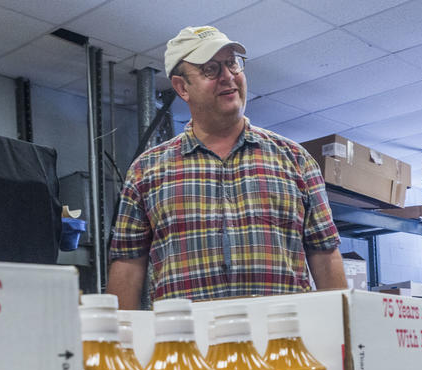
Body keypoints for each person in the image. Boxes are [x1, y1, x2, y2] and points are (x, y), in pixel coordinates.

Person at [106, 25, 347, 309]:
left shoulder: (295, 159)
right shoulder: (147, 171)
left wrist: (345, 340)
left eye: (232, 63)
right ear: (182, 87)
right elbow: (128, 265)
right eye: (210, 69)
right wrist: (121, 346)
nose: (228, 76)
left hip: (282, 344)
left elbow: (325, 255)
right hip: (187, 346)